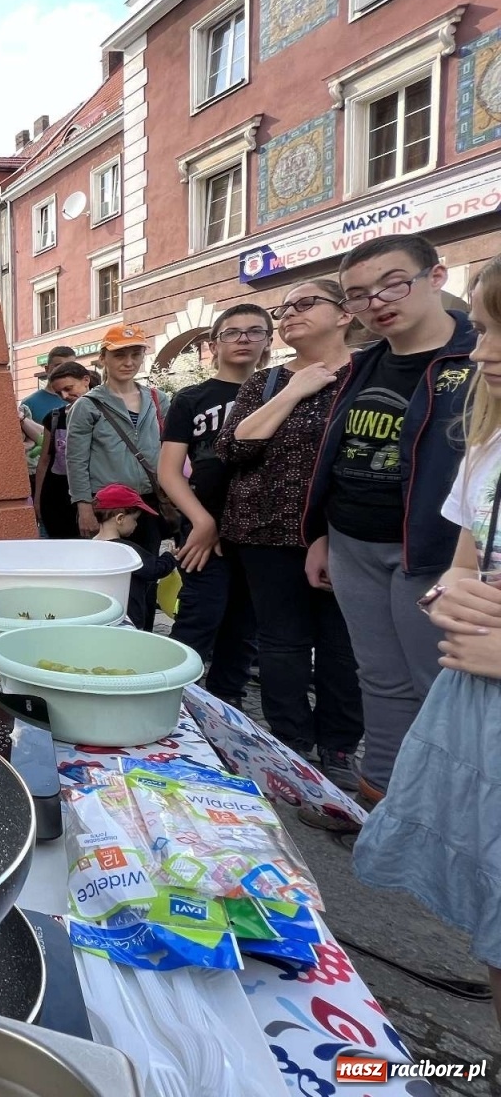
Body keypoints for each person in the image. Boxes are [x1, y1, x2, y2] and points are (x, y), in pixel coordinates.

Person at [353, 253, 501, 1030]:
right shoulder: (488, 442)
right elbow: (467, 559)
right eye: (483, 329)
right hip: (478, 718)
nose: (482, 352)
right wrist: (451, 590)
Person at [303, 235, 476, 805]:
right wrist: (322, 534)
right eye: (357, 295)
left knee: (440, 683)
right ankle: (379, 797)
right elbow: (338, 454)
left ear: (436, 276)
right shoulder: (361, 366)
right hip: (353, 541)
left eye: (392, 282)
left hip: (436, 550)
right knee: (378, 676)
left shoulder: (478, 358)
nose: (376, 301)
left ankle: (444, 810)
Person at [219, 281, 362, 792]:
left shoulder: (367, 371)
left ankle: (340, 746)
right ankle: (291, 744)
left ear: (345, 313)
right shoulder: (268, 379)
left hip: (348, 532)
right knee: (282, 642)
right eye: (285, 309)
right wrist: (295, 390)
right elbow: (233, 447)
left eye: (305, 304)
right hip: (266, 528)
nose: (290, 315)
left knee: (342, 643)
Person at [157, 304, 269, 709]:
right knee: (201, 612)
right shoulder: (192, 398)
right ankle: (170, 693)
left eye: (254, 332)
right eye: (232, 332)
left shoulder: (278, 390)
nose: (243, 339)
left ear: (268, 342)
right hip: (202, 524)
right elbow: (169, 470)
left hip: (260, 527)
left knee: (245, 621)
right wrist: (200, 520)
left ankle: (227, 702)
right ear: (214, 344)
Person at [65, 324, 168, 627]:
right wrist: (84, 505)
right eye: (120, 354)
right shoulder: (88, 405)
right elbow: (76, 459)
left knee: (147, 574)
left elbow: (170, 449)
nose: (129, 362)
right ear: (103, 359)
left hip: (148, 502)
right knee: (108, 574)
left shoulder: (158, 399)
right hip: (109, 504)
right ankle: (106, 630)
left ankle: (144, 632)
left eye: (135, 354)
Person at [92, 484, 179, 629]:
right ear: (120, 518)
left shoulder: (91, 545)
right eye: (135, 519)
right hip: (129, 616)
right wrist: (169, 556)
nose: (137, 524)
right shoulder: (127, 550)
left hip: (102, 614)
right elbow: (154, 570)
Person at [32, 361, 92, 539]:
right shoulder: (55, 417)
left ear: (86, 380)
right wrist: (38, 500)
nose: (65, 395)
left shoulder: (103, 414)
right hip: (57, 497)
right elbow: (44, 461)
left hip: (91, 496)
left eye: (69, 388)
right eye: (59, 392)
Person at [20, 346, 77, 506]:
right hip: (45, 479)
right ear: (47, 369)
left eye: (70, 366)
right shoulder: (29, 403)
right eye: (58, 366)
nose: (65, 371)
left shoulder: (82, 401)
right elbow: (28, 443)